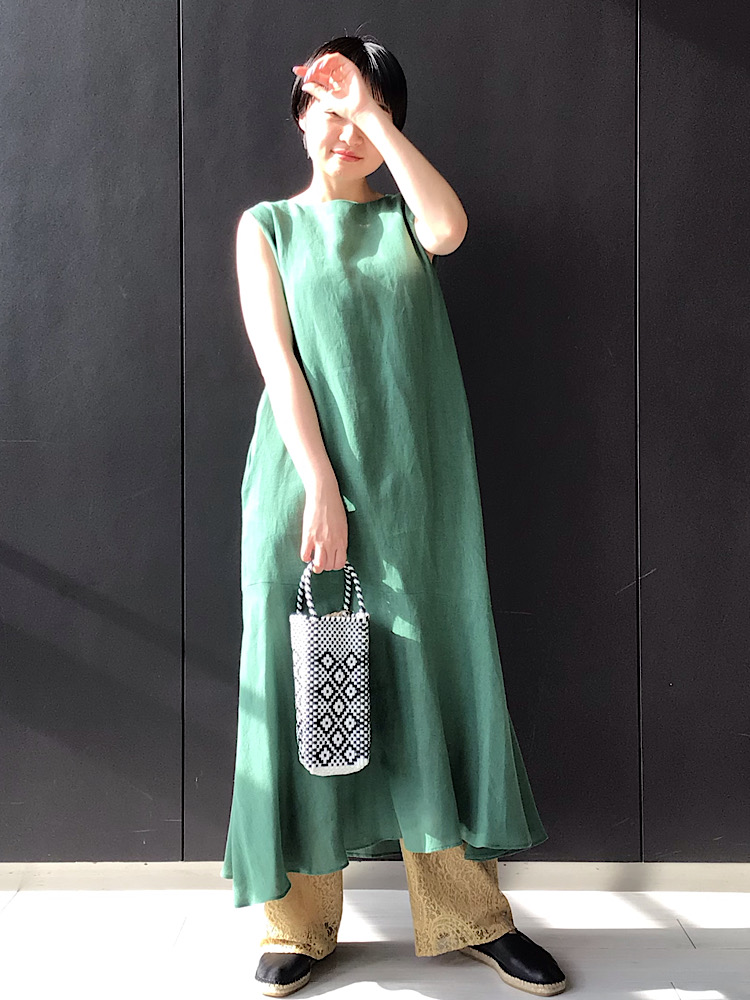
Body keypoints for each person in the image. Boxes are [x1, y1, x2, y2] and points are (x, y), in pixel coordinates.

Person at [220, 33, 567, 997]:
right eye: (326, 110)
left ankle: (469, 916)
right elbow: (280, 366)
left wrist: (369, 110)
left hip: (418, 494)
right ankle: (300, 924)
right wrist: (320, 486)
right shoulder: (266, 227)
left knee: (430, 681)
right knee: (304, 685)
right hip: (302, 486)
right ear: (298, 115)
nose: (343, 132)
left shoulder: (407, 222)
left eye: (365, 115)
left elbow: (449, 227)